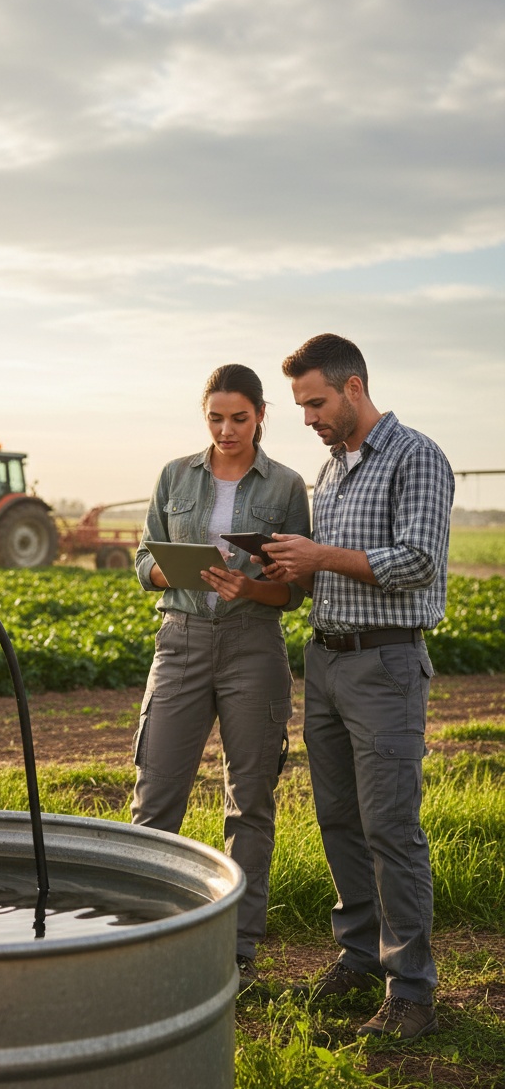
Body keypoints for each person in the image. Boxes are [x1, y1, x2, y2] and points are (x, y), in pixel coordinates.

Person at [262, 333, 454, 1039]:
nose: (308, 417)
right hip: (327, 660)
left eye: (314, 402)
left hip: (385, 665)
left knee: (391, 827)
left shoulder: (416, 456)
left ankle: (412, 992)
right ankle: (359, 957)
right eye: (301, 406)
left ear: (352, 388)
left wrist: (320, 554)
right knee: (339, 819)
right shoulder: (332, 470)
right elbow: (328, 572)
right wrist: (280, 570)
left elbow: (416, 563)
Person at [131, 364, 310, 991]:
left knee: (250, 802)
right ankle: (142, 933)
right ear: (203, 416)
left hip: (252, 648)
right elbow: (143, 556)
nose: (227, 429)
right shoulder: (174, 474)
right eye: (216, 417)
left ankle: (236, 950)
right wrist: (168, 573)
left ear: (261, 415)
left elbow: (297, 588)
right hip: (178, 644)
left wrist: (252, 588)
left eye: (239, 417)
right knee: (156, 797)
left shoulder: (287, 485)